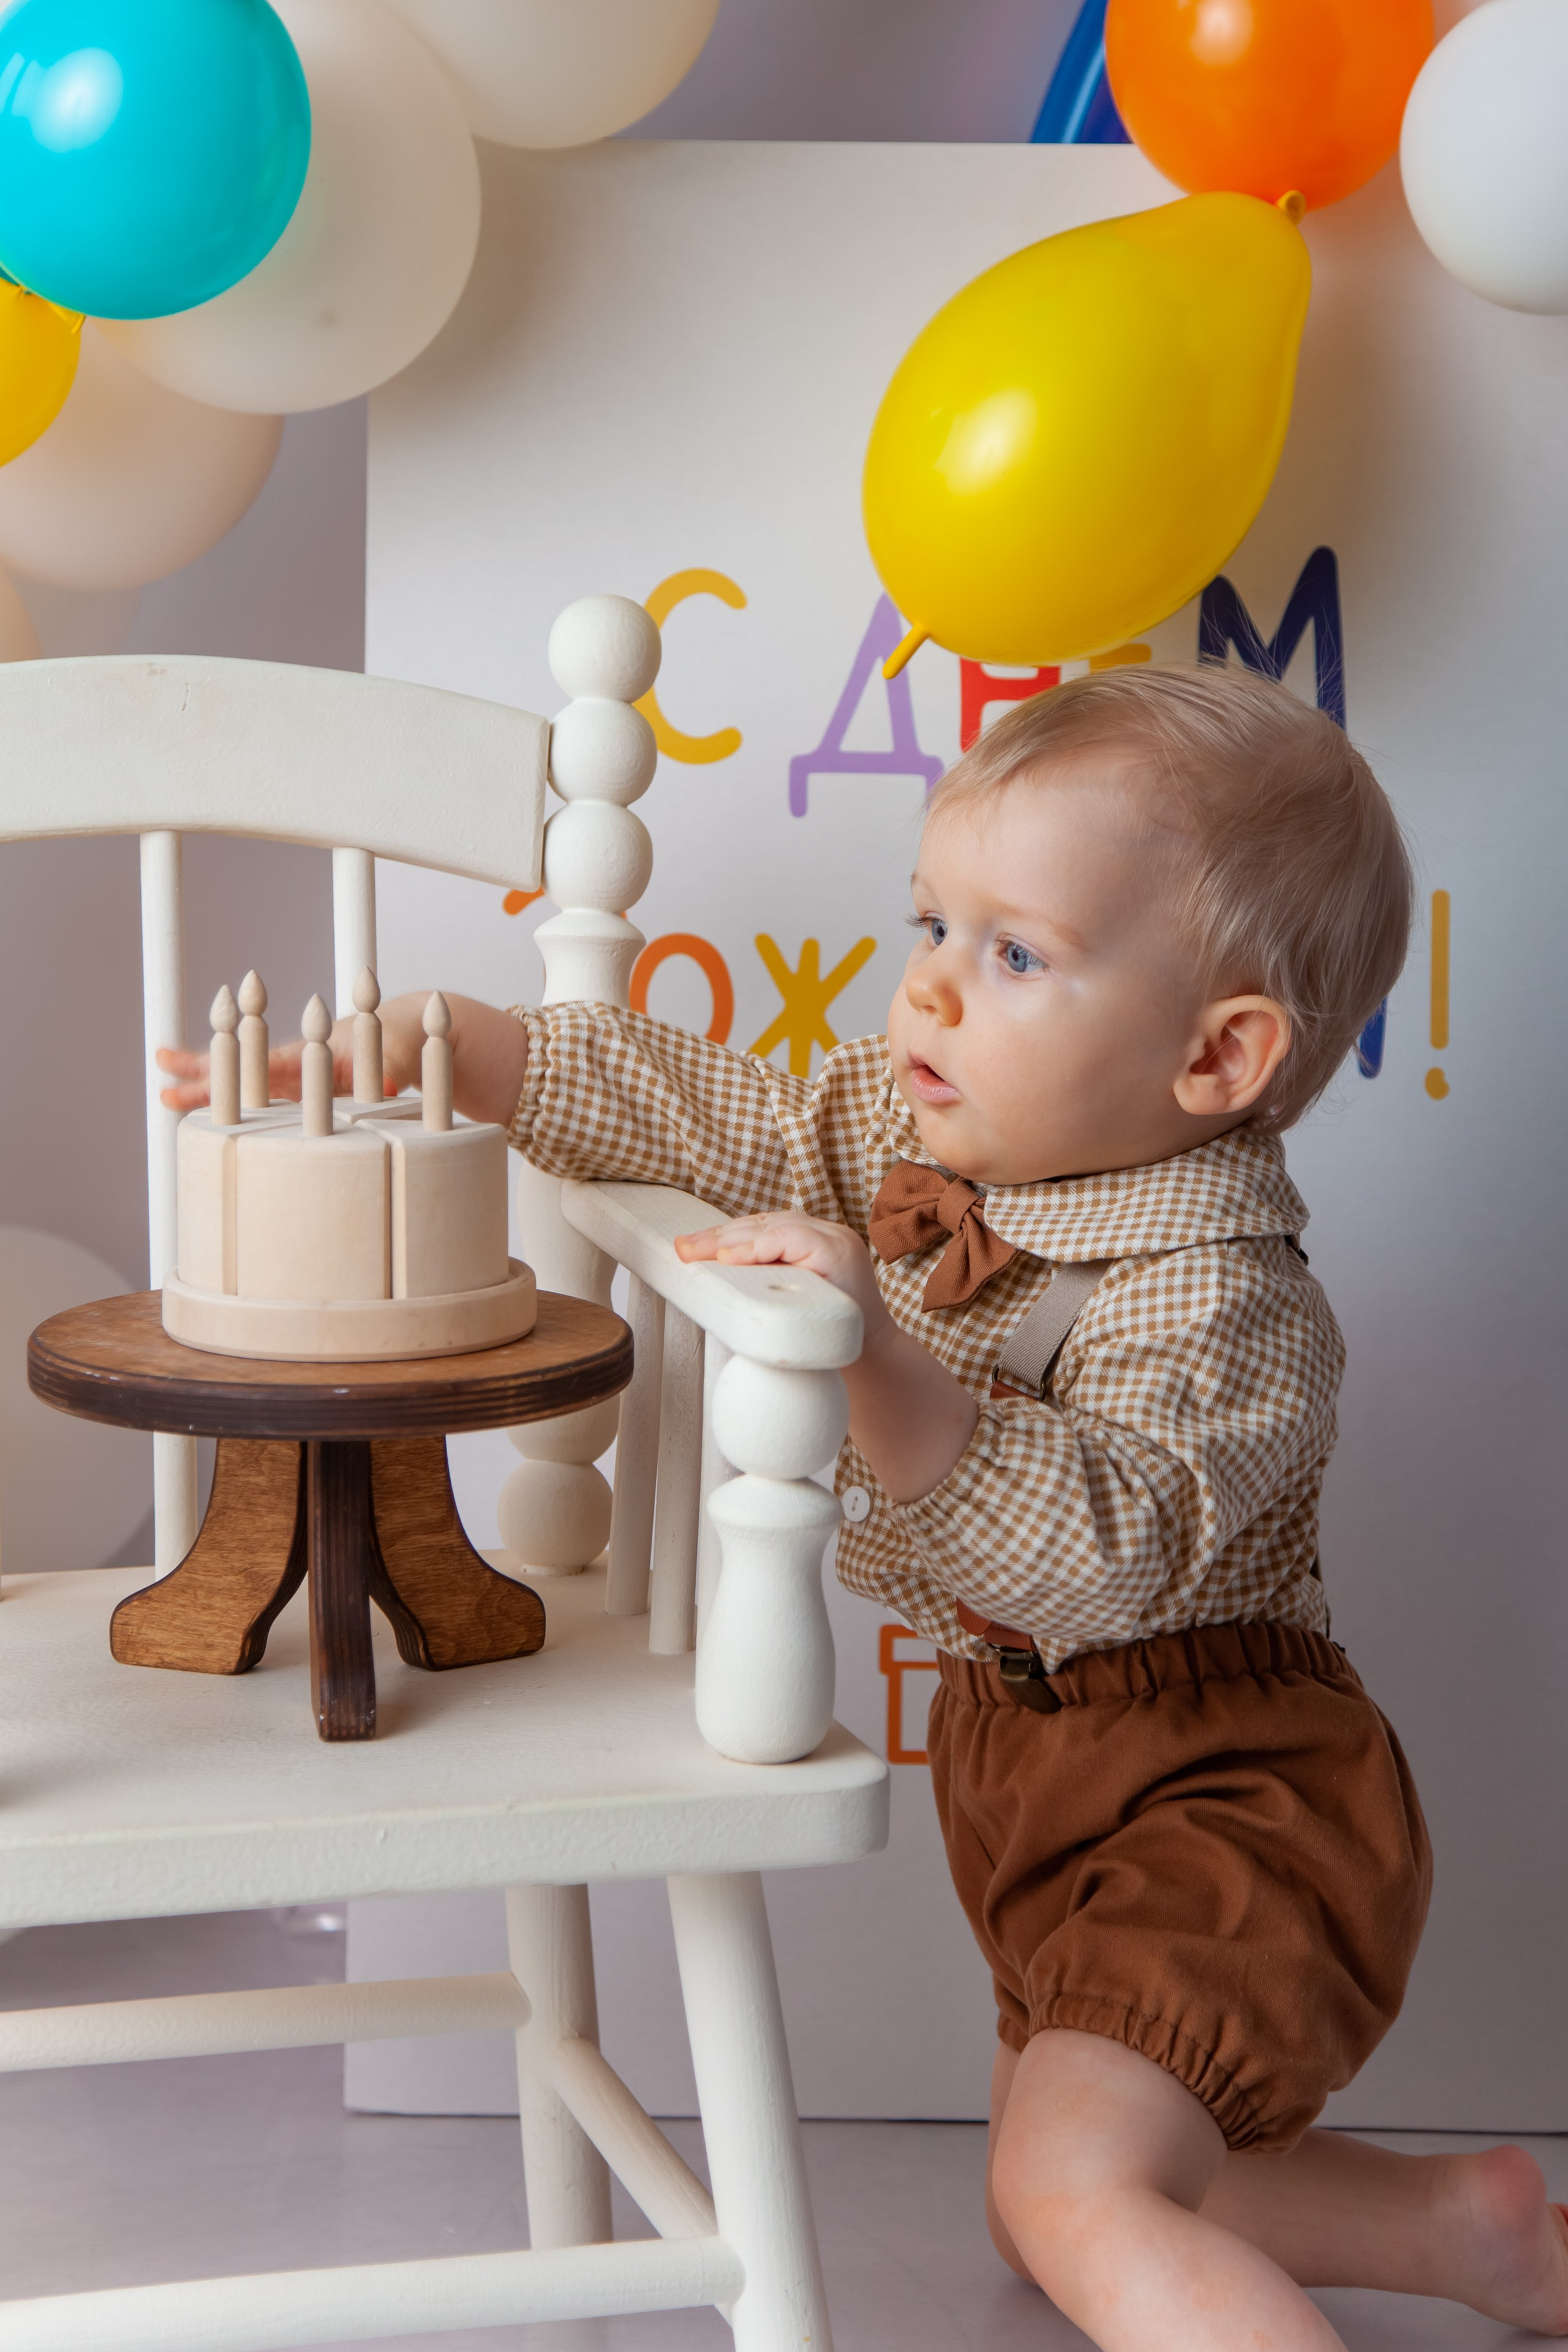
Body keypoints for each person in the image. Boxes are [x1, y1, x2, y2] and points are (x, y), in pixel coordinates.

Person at [160, 666, 1568, 2348]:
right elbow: (722, 1113)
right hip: (1031, 1779)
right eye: (930, 924)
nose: (932, 993)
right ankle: (1469, 2231)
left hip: (1229, 1796)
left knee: (1076, 2186)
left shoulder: (1230, 1301)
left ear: (1217, 1056)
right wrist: (473, 1048)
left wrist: (877, 1355)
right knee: (1039, 2193)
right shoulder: (915, 1137)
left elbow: (1108, 1553)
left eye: (1015, 953)